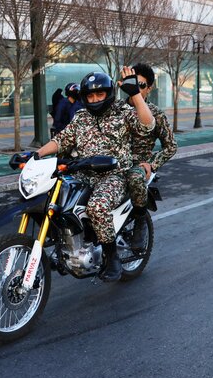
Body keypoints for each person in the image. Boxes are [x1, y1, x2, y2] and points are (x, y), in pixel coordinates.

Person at [36, 68, 154, 282]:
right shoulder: (81, 116)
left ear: (108, 94)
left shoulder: (122, 112)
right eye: (90, 95)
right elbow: (61, 140)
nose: (95, 99)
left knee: (97, 206)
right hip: (83, 173)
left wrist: (135, 94)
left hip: (115, 176)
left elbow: (147, 125)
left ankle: (112, 256)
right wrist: (36, 154)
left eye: (100, 94)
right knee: (54, 201)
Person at [122, 63, 177, 250]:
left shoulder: (156, 114)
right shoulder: (115, 109)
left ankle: (139, 224)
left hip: (138, 167)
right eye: (132, 84)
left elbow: (171, 146)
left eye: (141, 85)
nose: (136, 89)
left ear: (149, 88)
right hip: (114, 163)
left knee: (136, 178)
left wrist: (151, 165)